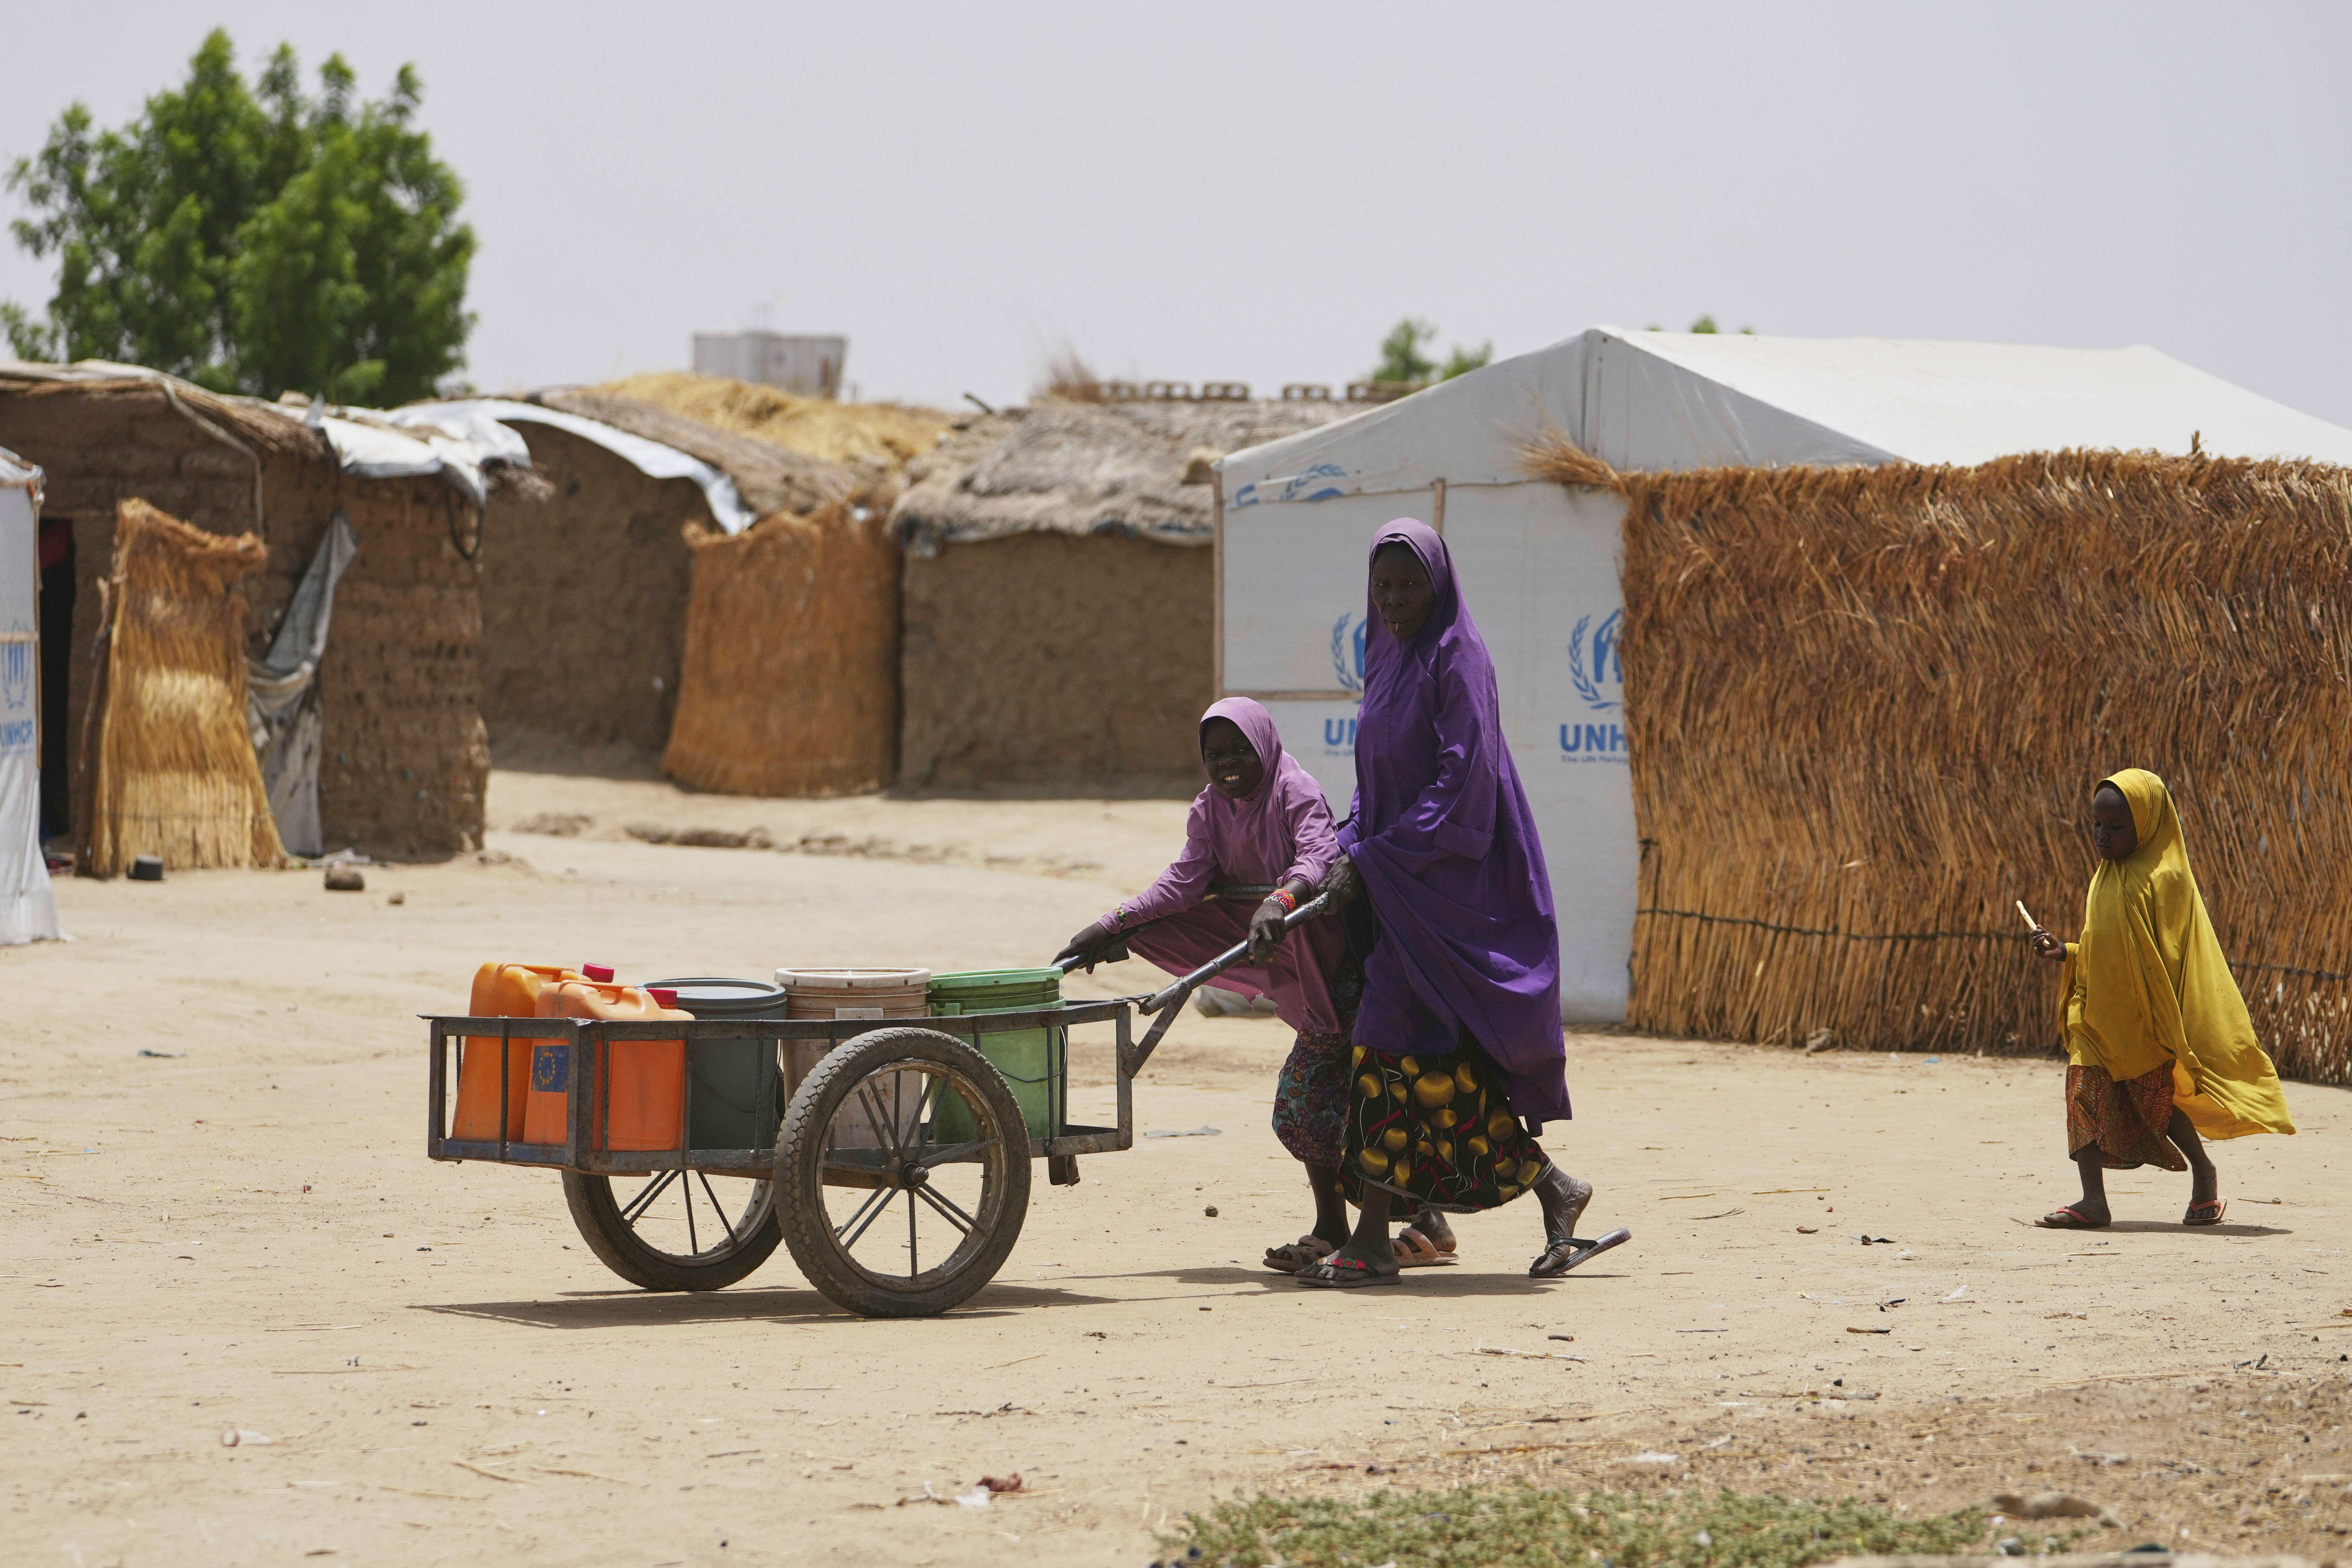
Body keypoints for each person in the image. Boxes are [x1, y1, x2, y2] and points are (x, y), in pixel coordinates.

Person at [1296, 519, 1620, 1288]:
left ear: (1439, 585)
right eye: (1383, 587)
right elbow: (1376, 781)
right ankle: (1554, 1188)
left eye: (1410, 585)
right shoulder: (1385, 656)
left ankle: (1373, 1241)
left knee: (1385, 1044)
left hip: (1454, 885)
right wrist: (1345, 847)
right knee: (1426, 1061)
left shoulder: (1457, 657)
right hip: (1399, 885)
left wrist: (1373, 857)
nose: (1395, 600)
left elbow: (1463, 785)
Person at [1053, 698, 1461, 1273]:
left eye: (1239, 750)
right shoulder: (1210, 809)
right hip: (1305, 974)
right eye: (1215, 755)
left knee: (1343, 1100)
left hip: (1350, 971)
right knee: (1315, 1105)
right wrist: (1114, 923)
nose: (1228, 764)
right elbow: (1184, 883)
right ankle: (1384, 1224)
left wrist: (1279, 899)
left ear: (1264, 744)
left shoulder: (1294, 789)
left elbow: (1319, 855)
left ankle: (1383, 1226)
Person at [2025, 769, 2294, 1228]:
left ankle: (2204, 1175)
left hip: (2143, 1021)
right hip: (2096, 1017)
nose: (2102, 835)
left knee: (2158, 1106)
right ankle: (2094, 1201)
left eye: (2116, 827)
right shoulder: (2106, 875)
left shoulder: (2166, 878)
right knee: (2081, 1095)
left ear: (2148, 825)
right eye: (2096, 824)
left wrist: (2166, 1022)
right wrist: (2066, 951)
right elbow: (2104, 945)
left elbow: (2169, 955)